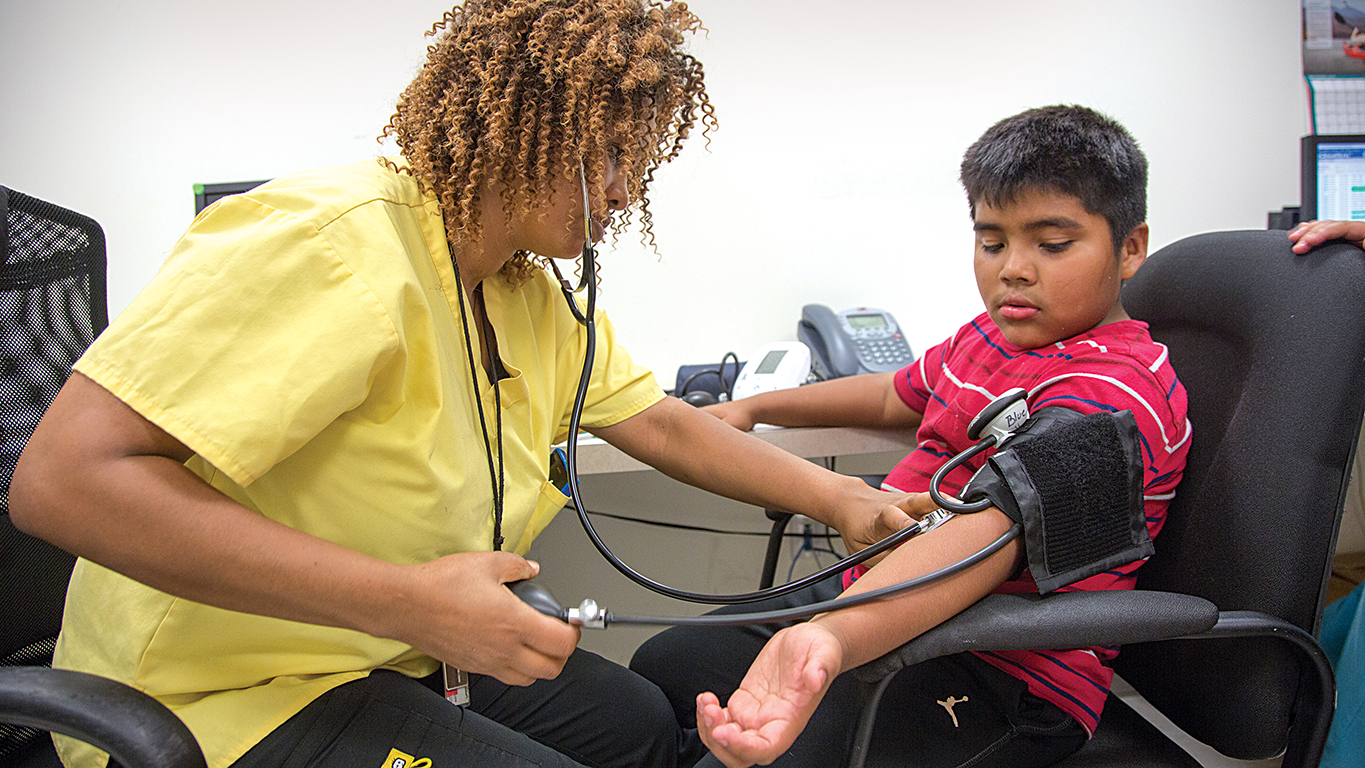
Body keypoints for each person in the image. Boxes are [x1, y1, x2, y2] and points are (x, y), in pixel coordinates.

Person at [7, 3, 922, 768]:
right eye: (604, 155)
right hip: (224, 688)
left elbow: (661, 424)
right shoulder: (329, 245)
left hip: (383, 647)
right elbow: (64, 483)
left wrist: (840, 497)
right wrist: (409, 602)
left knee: (640, 722)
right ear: (514, 121)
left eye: (637, 161)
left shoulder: (523, 288)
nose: (621, 189)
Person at [630, 105, 1192, 768]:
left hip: (998, 670)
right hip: (892, 597)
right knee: (666, 665)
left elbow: (988, 535)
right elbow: (895, 392)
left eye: (1051, 243)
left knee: (747, 747)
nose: (1012, 268)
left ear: (1129, 248)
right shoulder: (992, 338)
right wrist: (757, 406)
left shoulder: (1111, 395)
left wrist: (831, 637)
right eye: (992, 241)